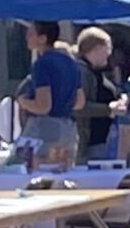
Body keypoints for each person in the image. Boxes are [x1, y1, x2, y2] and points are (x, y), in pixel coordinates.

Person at [16, 19, 84, 168]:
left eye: (31, 33)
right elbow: (79, 102)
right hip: (68, 128)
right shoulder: (72, 63)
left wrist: (23, 102)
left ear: (43, 39)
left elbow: (43, 106)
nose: (26, 37)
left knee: (22, 167)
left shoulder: (42, 64)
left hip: (44, 127)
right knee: (63, 174)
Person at [74, 28, 126, 162]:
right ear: (96, 48)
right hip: (90, 142)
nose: (109, 53)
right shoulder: (82, 72)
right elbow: (79, 107)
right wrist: (109, 109)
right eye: (107, 48)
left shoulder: (94, 71)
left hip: (102, 139)